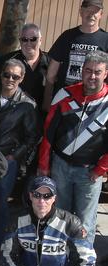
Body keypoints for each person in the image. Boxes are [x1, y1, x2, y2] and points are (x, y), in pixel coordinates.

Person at [39, 50, 108, 248]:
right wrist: (44, 166)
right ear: (81, 71)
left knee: (86, 222)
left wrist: (100, 170)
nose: (92, 76)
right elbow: (48, 133)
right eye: (88, 71)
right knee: (59, 216)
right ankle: (58, 260)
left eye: (97, 72)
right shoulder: (65, 94)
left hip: (90, 172)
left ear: (106, 73)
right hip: (60, 167)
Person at [0, 59, 41, 253]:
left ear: (22, 78)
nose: (10, 79)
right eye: (6, 74)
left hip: (6, 159)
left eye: (15, 76)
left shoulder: (27, 104)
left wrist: (14, 156)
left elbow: (32, 136)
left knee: (1, 200)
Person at [43, 0, 108, 112]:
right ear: (81, 12)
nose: (91, 14)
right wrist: (47, 99)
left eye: (95, 11)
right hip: (66, 98)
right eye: (87, 10)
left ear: (101, 14)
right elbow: (51, 74)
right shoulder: (67, 36)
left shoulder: (106, 40)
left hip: (94, 102)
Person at [0, 23, 50, 111]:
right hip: (12, 114)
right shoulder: (6, 61)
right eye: (24, 39)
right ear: (20, 41)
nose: (28, 43)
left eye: (33, 39)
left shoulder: (51, 62)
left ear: (40, 40)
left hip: (42, 114)